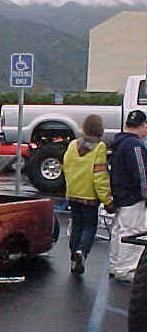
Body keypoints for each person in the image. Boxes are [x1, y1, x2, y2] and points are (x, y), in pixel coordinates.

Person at [62, 114, 113, 274]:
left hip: (73, 193)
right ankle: (82, 252)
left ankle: (73, 258)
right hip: (89, 196)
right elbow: (100, 176)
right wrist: (107, 199)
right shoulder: (100, 147)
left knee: (77, 226)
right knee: (89, 227)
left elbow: (66, 167)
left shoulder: (72, 145)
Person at [108, 109, 147, 283]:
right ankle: (127, 269)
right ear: (143, 125)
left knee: (119, 231)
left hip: (120, 194)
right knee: (133, 232)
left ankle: (115, 265)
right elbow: (141, 173)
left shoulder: (119, 143)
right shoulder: (135, 146)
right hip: (133, 197)